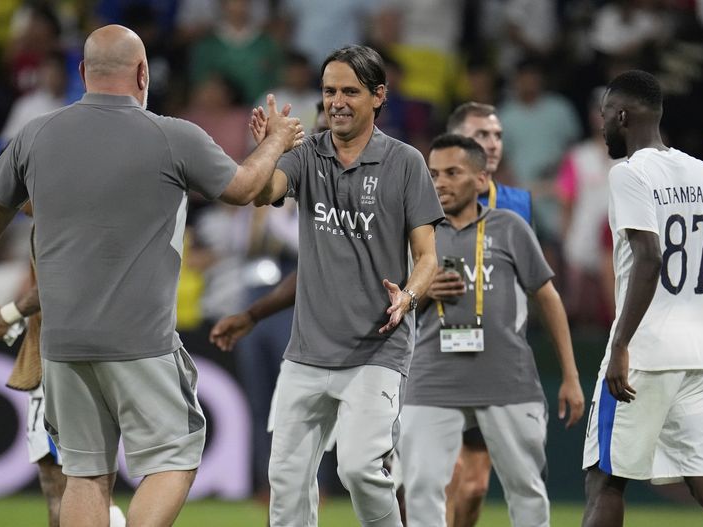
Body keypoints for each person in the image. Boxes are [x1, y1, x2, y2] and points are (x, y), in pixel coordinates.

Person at [0, 24, 301, 527]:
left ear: (82, 74)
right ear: (143, 74)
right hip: (141, 339)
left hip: (63, 342)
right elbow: (246, 188)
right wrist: (275, 141)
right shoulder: (172, 135)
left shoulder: (36, 134)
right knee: (175, 457)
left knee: (85, 474)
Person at [250, 45, 444, 526]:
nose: (336, 101)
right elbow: (259, 191)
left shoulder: (405, 163)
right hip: (307, 351)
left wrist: (410, 295)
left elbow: (427, 257)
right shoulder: (306, 154)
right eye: (329, 90)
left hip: (376, 350)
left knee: (359, 470)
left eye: (350, 92)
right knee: (286, 482)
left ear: (378, 96)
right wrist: (271, 145)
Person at [398, 134, 583, 527]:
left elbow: (548, 298)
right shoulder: (417, 232)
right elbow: (395, 307)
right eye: (433, 174)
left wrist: (570, 375)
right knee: (420, 487)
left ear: (481, 180)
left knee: (526, 489)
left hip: (507, 380)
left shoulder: (510, 227)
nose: (440, 182)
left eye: (452, 172)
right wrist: (423, 292)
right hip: (433, 379)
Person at [581, 70, 703, 526]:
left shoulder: (628, 173)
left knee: (605, 479)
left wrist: (620, 345)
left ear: (623, 115)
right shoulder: (700, 171)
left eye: (607, 114)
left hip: (647, 352)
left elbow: (649, 258)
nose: (603, 124)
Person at [0, 204, 126, 527]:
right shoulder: (80, 218)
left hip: (60, 363)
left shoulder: (59, 222)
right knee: (84, 478)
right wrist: (14, 318)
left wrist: (9, 315)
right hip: (85, 351)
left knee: (64, 482)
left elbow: (60, 284)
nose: (15, 198)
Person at [443, 101, 533, 527]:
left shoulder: (518, 204)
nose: (492, 144)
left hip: (492, 359)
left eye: (496, 135)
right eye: (482, 135)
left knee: (476, 486)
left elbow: (531, 283)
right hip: (436, 355)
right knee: (445, 473)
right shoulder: (428, 200)